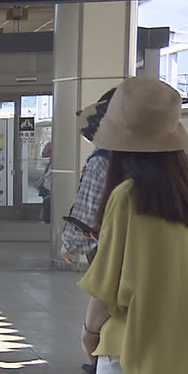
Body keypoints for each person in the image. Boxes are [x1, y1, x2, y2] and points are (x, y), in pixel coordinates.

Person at [77, 76, 188, 374]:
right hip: (176, 358)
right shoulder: (187, 194)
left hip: (130, 354)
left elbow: (106, 289)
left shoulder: (127, 198)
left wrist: (88, 335)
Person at [61, 89, 116, 266]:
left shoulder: (102, 159)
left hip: (116, 251)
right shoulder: (174, 161)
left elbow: (90, 207)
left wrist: (71, 243)